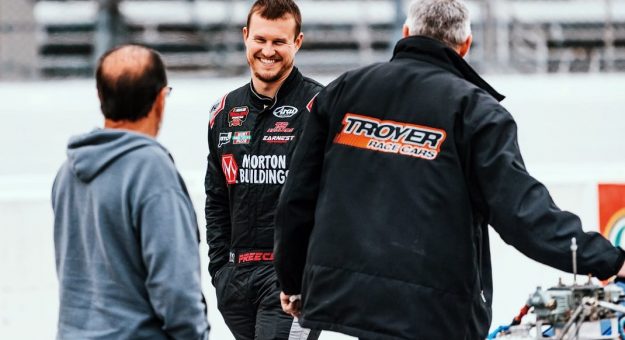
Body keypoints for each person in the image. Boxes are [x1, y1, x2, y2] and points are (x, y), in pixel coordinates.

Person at [273, 0, 625, 339]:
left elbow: (296, 198)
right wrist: (609, 260)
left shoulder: (343, 90)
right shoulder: (476, 111)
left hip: (344, 302)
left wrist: (291, 281)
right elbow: (523, 214)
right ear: (466, 45)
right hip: (433, 312)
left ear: (407, 31)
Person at [52, 44, 210, 340]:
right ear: (160, 100)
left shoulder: (67, 173)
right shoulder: (152, 171)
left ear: (100, 96)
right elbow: (176, 289)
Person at [204, 1, 323, 339]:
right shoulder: (224, 111)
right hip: (236, 283)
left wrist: (308, 275)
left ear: (297, 43)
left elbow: (339, 201)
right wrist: (220, 272)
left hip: (292, 285)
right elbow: (216, 199)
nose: (267, 51)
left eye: (279, 42)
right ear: (245, 37)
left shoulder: (320, 107)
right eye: (260, 40)